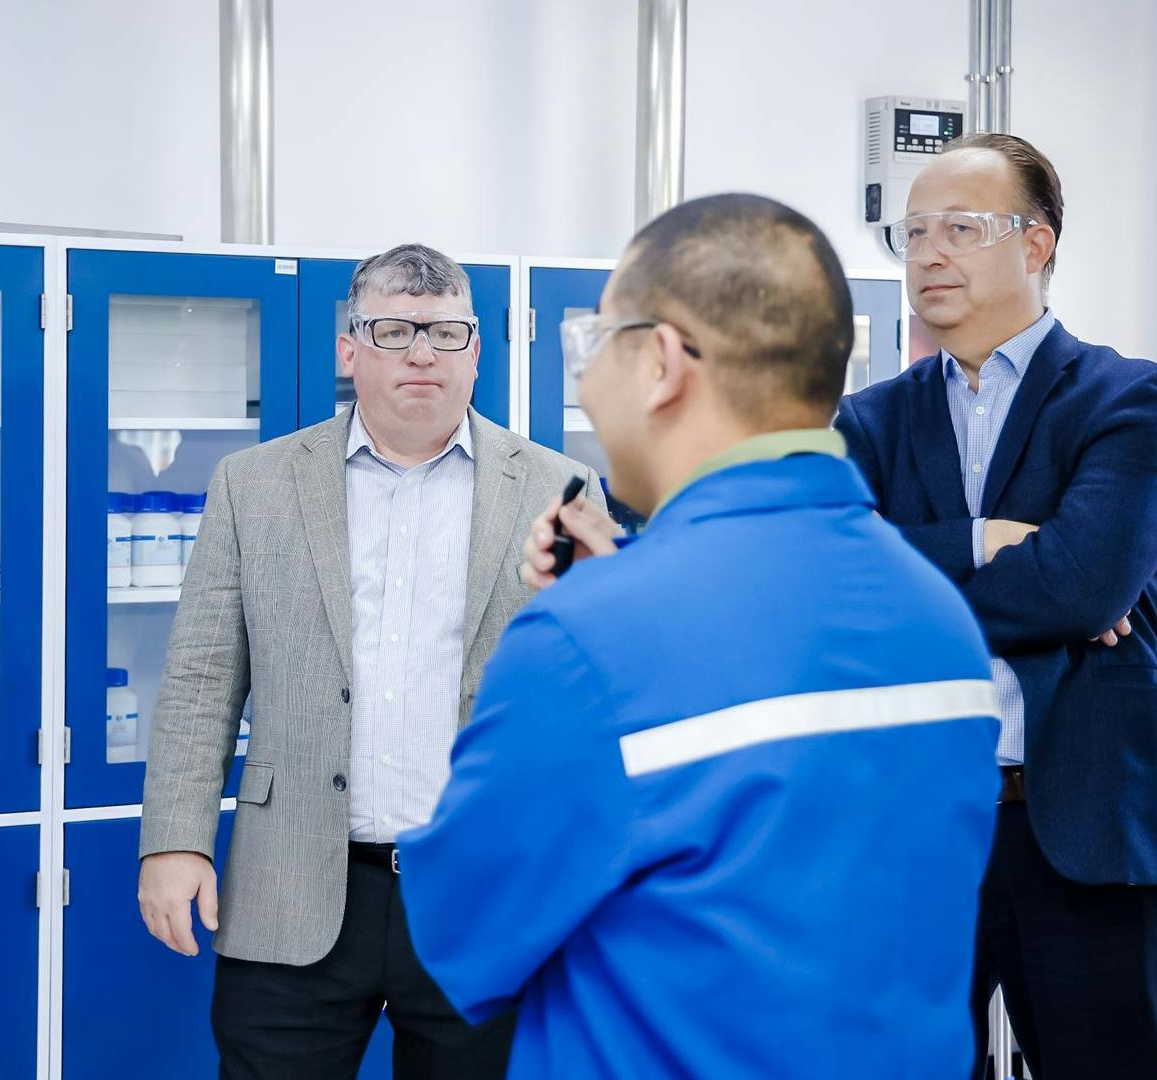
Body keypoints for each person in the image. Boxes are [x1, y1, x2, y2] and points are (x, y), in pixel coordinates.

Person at [395, 194, 1003, 1078]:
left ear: (662, 363)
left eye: (593, 345)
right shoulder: (938, 613)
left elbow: (461, 932)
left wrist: (593, 625)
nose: (585, 379)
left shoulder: (585, 642)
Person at [137, 243, 602, 1078]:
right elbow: (202, 679)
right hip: (295, 885)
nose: (422, 353)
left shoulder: (559, 491)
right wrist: (175, 842)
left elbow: (593, 699)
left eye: (447, 332)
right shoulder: (256, 484)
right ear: (348, 350)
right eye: (394, 331)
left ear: (476, 350)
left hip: (484, 895)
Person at [834, 132, 1157, 1079]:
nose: (929, 254)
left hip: (1090, 824)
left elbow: (1086, 582)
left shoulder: (1128, 399)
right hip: (920, 826)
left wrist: (922, 578)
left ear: (1037, 243)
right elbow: (835, 592)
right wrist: (992, 543)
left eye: (960, 229)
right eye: (914, 232)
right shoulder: (872, 421)